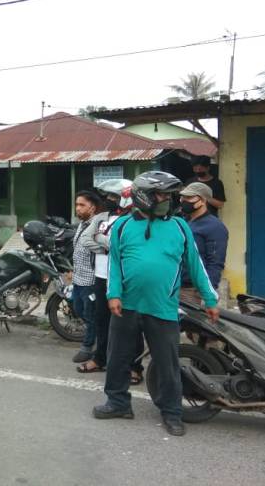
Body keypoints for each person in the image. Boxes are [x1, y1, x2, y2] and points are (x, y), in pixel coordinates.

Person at [93, 171, 219, 437]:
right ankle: (117, 403)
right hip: (125, 305)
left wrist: (209, 298)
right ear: (143, 196)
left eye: (169, 195)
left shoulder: (179, 226)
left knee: (167, 362)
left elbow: (196, 265)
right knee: (118, 357)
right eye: (162, 194)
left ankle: (172, 412)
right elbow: (115, 263)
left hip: (163, 307)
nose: (168, 200)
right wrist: (113, 294)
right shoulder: (124, 226)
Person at [78, 180, 144, 384]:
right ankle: (100, 358)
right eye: (108, 196)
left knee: (131, 324)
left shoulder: (136, 220)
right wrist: (107, 246)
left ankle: (135, 366)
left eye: (114, 197)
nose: (109, 200)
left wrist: (107, 243)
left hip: (124, 278)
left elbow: (123, 245)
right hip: (101, 276)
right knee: (101, 320)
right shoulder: (101, 217)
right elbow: (87, 239)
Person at [179, 181, 229, 304]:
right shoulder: (183, 222)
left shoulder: (215, 227)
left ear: (203, 201)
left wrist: (207, 294)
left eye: (189, 197)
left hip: (192, 291)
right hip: (174, 286)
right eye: (183, 197)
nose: (184, 200)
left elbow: (215, 263)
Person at [69, 191, 102, 364]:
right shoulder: (81, 225)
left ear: (92, 207)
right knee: (79, 309)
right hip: (78, 278)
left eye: (82, 205)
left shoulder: (97, 225)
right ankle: (94, 338)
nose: (78, 208)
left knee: (90, 314)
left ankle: (87, 347)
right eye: (76, 204)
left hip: (91, 280)